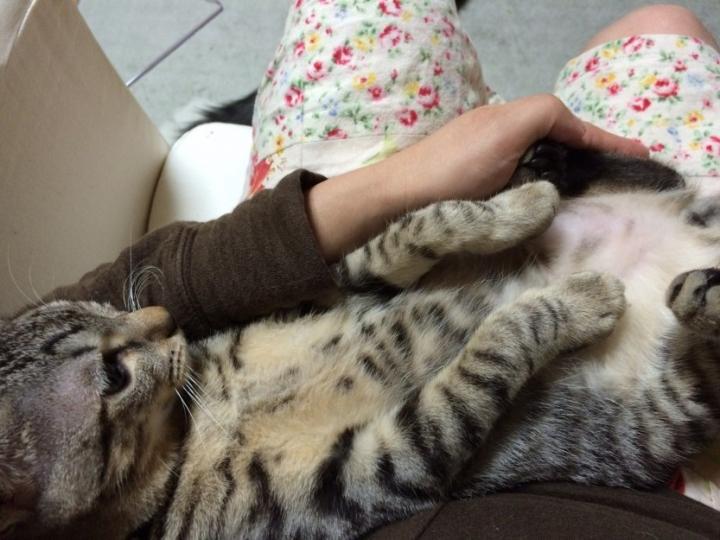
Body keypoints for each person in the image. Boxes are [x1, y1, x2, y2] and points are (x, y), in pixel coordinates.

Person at [48, 2, 720, 537]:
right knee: (666, 29)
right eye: (114, 366)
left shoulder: (164, 391)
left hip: (500, 260)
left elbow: (346, 296)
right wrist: (526, 324)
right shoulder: (209, 516)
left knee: (658, 19)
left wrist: (415, 190)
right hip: (611, 394)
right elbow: (405, 464)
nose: (156, 320)